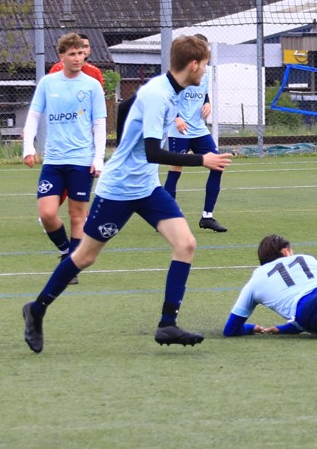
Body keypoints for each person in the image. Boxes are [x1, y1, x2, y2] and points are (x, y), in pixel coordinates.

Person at [22, 35, 234, 353]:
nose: (205, 71)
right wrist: (201, 159)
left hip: (147, 187)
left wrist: (124, 140)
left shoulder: (171, 90)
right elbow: (151, 151)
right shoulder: (159, 95)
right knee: (85, 257)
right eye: (204, 65)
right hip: (119, 189)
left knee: (186, 243)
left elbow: (125, 107)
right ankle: (36, 309)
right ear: (193, 65)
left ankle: (167, 324)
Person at [22, 33, 107, 284]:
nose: (78, 58)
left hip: (82, 159)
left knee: (78, 216)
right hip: (54, 161)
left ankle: (71, 265)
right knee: (47, 213)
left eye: (81, 53)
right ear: (62, 57)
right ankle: (64, 251)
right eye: (72, 54)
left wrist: (98, 158)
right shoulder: (48, 83)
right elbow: (34, 116)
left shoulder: (92, 85)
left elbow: (99, 123)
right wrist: (29, 147)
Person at [163, 34, 227, 232]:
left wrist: (207, 102)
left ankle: (207, 216)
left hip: (199, 129)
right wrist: (176, 117)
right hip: (179, 130)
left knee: (218, 165)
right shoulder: (176, 74)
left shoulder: (205, 73)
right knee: (176, 168)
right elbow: (166, 100)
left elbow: (204, 93)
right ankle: (167, 217)